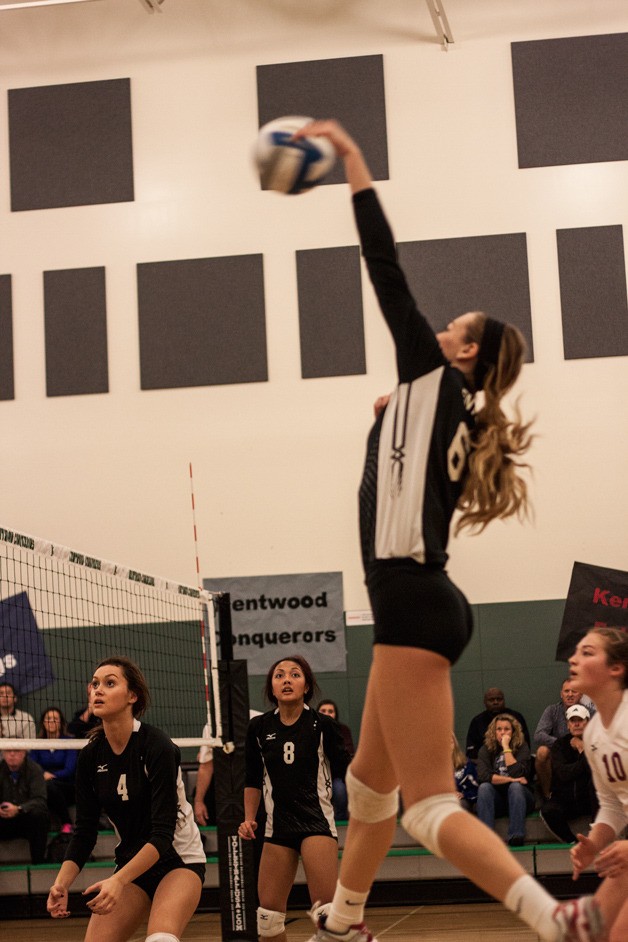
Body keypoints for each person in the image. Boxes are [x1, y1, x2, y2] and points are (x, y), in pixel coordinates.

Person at [293, 119, 602, 942]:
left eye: (451, 329)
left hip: (410, 596)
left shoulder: (430, 378)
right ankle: (345, 918)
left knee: (428, 808)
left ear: (463, 353)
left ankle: (555, 916)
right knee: (369, 790)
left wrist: (354, 166)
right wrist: (388, 425)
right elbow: (401, 473)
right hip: (430, 597)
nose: (435, 331)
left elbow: (382, 265)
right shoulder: (450, 409)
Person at [46, 655, 206, 942]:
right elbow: (84, 832)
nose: (98, 690)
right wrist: (61, 883)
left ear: (132, 696)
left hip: (178, 860)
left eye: (109, 683)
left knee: (160, 940)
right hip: (132, 864)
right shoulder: (90, 756)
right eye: (95, 684)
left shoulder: (157, 746)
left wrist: (117, 880)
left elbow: (161, 835)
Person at [239, 656, 349, 942]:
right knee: (268, 920)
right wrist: (249, 818)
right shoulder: (258, 728)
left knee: (327, 916)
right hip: (278, 827)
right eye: (279, 675)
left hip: (316, 823)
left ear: (307, 685)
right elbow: (252, 778)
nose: (286, 679)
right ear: (272, 688)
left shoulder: (323, 725)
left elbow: (347, 771)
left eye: (295, 674)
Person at [567, 627, 628, 941]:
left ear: (616, 668)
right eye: (575, 652)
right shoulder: (592, 735)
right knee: (591, 932)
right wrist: (594, 842)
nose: (573, 659)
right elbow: (613, 806)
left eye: (587, 652)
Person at [539, 704, 598, 844]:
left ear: (588, 723)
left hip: (589, 801)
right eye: (573, 720)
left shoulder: (597, 742)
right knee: (548, 810)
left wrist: (583, 749)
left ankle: (596, 837)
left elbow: (595, 771)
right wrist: (584, 756)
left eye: (580, 720)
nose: (576, 724)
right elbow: (563, 774)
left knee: (596, 783)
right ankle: (572, 842)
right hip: (566, 801)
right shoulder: (560, 745)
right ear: (567, 725)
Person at [476, 714, 535, 846]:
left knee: (516, 787)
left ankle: (516, 836)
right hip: (498, 800)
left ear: (513, 732)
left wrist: (506, 747)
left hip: (521, 798)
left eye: (507, 729)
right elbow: (484, 776)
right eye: (499, 729)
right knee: (484, 788)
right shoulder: (485, 749)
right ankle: (487, 838)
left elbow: (519, 772)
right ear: (493, 731)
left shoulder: (522, 747)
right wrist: (511, 779)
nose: (502, 732)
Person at [534, 680, 596, 800]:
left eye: (574, 691)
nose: (570, 694)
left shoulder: (591, 713)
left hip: (584, 751)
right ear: (561, 694)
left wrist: (582, 745)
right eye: (566, 691)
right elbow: (539, 735)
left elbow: (599, 736)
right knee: (542, 751)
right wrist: (562, 744)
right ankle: (548, 796)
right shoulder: (553, 710)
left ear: (582, 694)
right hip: (560, 753)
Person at [30, 707, 78, 834]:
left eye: (55, 719)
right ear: (43, 723)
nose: (51, 721)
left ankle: (66, 822)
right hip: (44, 787)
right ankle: (64, 823)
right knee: (46, 788)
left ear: (61, 723)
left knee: (49, 786)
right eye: (48, 719)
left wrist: (50, 775)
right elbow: (32, 766)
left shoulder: (70, 742)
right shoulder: (37, 743)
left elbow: (69, 770)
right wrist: (42, 775)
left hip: (67, 787)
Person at [0, 747, 50, 863]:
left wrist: (19, 809)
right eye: (8, 751)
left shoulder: (35, 769)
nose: (12, 754)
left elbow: (40, 800)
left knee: (40, 815)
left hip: (26, 819)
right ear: (3, 753)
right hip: (4, 820)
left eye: (16, 751)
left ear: (24, 753)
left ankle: (38, 863)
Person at [466, 687, 530, 761]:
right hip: (486, 762)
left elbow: (525, 744)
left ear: (504, 701)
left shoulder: (516, 717)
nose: (495, 702)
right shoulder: (477, 721)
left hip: (514, 759)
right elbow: (471, 752)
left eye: (499, 699)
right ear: (485, 702)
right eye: (491, 700)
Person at [317, 700, 356, 820]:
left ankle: (340, 824)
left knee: (340, 792)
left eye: (330, 711)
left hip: (337, 774)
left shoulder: (343, 729)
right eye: (323, 711)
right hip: (315, 774)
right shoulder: (310, 729)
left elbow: (347, 752)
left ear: (335, 714)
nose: (327, 714)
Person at [452, 734, 478, 810]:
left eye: (450, 742)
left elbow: (476, 788)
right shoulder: (433, 767)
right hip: (440, 800)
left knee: (458, 805)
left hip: (462, 799)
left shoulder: (465, 763)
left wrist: (463, 794)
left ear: (455, 744)